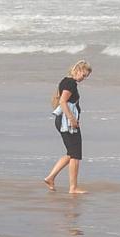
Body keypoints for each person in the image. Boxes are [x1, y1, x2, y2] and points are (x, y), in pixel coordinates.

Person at [44, 60, 93, 194]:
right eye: (83, 75)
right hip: (66, 121)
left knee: (71, 153)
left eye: (86, 77)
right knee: (75, 155)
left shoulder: (67, 81)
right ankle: (73, 188)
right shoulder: (70, 83)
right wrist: (72, 119)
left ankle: (50, 177)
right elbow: (63, 101)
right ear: (77, 70)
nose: (84, 78)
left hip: (63, 120)